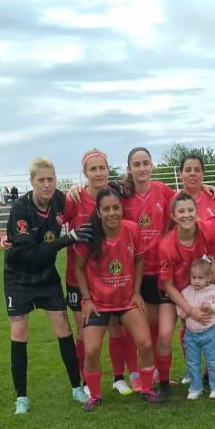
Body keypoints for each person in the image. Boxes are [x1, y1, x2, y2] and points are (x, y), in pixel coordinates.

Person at [3, 156, 93, 415]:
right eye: (40, 180)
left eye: (50, 179)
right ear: (31, 182)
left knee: (63, 328)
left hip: (46, 277)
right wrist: (69, 239)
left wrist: (80, 189)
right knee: (19, 333)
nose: (46, 184)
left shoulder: (60, 200)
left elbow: (84, 206)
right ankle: (21, 397)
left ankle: (76, 388)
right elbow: (31, 253)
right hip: (18, 277)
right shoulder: (20, 210)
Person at [73, 186, 164, 411]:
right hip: (99, 303)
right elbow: (78, 269)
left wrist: (136, 292)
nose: (112, 213)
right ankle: (95, 395)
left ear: (121, 208)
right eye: (106, 209)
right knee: (92, 349)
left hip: (126, 301)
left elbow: (139, 262)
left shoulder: (132, 230)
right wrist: (87, 299)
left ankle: (146, 389)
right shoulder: (90, 235)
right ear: (98, 211)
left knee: (144, 343)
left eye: (116, 208)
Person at [64, 150, 138, 396]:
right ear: (85, 173)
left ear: (108, 170)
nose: (98, 173)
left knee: (118, 329)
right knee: (85, 334)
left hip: (111, 280)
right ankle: (86, 383)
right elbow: (53, 221)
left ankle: (119, 378)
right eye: (93, 169)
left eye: (102, 168)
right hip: (80, 278)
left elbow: (139, 182)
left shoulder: (116, 195)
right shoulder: (74, 198)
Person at [156, 192, 215, 398]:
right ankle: (165, 384)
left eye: (190, 210)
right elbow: (167, 285)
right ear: (174, 216)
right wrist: (189, 310)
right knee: (165, 334)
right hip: (175, 292)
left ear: (197, 212)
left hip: (202, 290)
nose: (187, 215)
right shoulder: (166, 245)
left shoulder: (207, 230)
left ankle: (206, 376)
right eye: (181, 211)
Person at [121, 147, 176, 388]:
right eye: (137, 164)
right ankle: (134, 374)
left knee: (153, 324)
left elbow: (185, 201)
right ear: (129, 168)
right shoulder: (123, 195)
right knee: (133, 326)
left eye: (146, 163)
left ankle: (152, 372)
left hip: (158, 269)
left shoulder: (163, 190)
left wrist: (206, 188)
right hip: (132, 272)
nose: (142, 168)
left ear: (152, 165)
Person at [178, 256, 215, 400]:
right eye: (193, 277)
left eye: (200, 278)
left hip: (209, 333)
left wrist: (211, 307)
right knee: (192, 362)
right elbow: (180, 310)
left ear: (209, 277)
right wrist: (184, 313)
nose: (196, 281)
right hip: (191, 334)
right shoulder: (186, 291)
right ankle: (195, 388)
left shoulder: (213, 293)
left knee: (213, 361)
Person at [177, 154, 215, 226]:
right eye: (188, 170)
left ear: (203, 175)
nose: (192, 173)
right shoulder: (173, 200)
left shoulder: (214, 197)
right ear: (180, 174)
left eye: (197, 170)